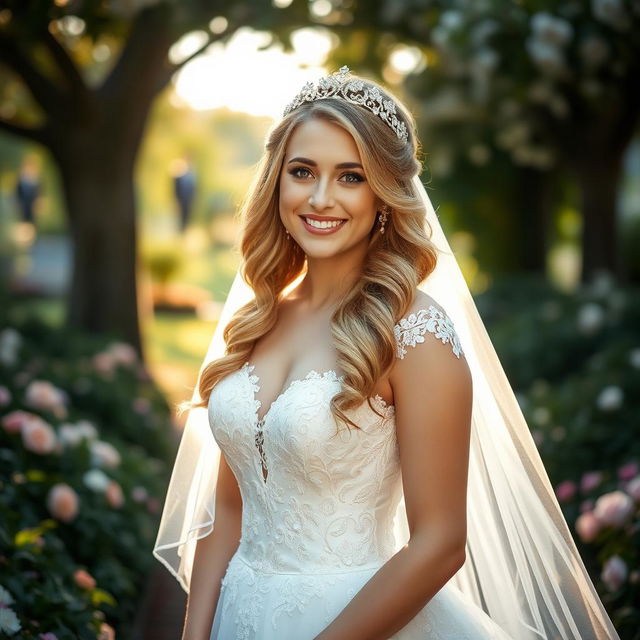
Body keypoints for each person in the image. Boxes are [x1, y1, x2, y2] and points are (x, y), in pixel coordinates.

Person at [153, 67, 620, 639]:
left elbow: (441, 542)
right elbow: (230, 511)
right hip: (240, 614)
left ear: (383, 193)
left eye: (350, 176)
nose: (320, 198)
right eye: (303, 172)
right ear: (277, 181)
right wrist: (195, 634)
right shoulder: (260, 316)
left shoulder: (415, 332)